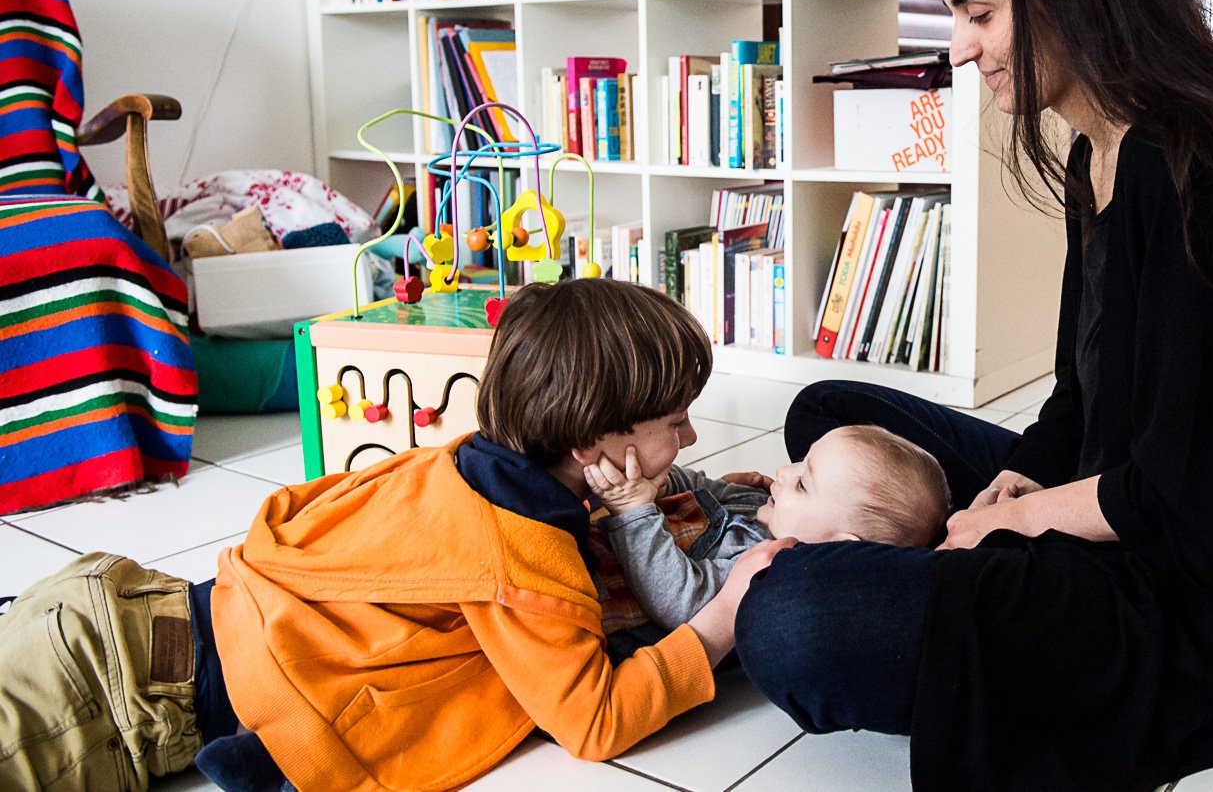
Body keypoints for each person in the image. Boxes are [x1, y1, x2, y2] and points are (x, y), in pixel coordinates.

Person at [733, 0, 1213, 792]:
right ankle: (930, 574)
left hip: (1197, 602)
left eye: (979, 13)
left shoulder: (1198, 173)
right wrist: (1022, 481)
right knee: (827, 412)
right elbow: (1084, 395)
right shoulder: (1099, 155)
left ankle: (917, 585)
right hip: (1123, 489)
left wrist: (1024, 521)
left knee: (794, 625)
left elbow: (1201, 497)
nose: (959, 48)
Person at [0, 280, 787, 792]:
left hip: (118, 611)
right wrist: (721, 618)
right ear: (590, 444)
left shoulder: (475, 465)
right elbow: (595, 720)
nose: (689, 436)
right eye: (675, 420)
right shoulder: (519, 552)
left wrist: (690, 496)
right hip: (117, 688)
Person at [586, 424, 951, 630]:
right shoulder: (764, 506)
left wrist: (635, 510)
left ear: (842, 546)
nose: (783, 472)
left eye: (804, 483)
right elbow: (699, 487)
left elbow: (683, 605)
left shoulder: (769, 571)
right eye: (800, 461)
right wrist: (657, 479)